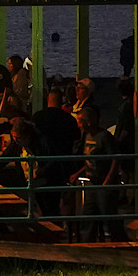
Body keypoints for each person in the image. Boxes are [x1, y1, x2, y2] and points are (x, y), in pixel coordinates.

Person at [30, 87, 81, 219]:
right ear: (61, 100)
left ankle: (49, 220)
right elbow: (76, 140)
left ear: (48, 99)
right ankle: (60, 221)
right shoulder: (69, 119)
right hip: (63, 164)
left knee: (43, 197)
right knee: (60, 198)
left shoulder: (38, 117)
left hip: (42, 164)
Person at [76, 106, 123, 242]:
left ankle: (118, 242)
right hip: (92, 182)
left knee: (108, 215)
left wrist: (108, 179)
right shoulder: (87, 136)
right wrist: (78, 173)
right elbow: (90, 160)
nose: (79, 125)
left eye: (80, 121)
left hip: (102, 182)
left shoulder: (104, 137)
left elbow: (115, 158)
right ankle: (88, 244)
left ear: (88, 122)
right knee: (88, 215)